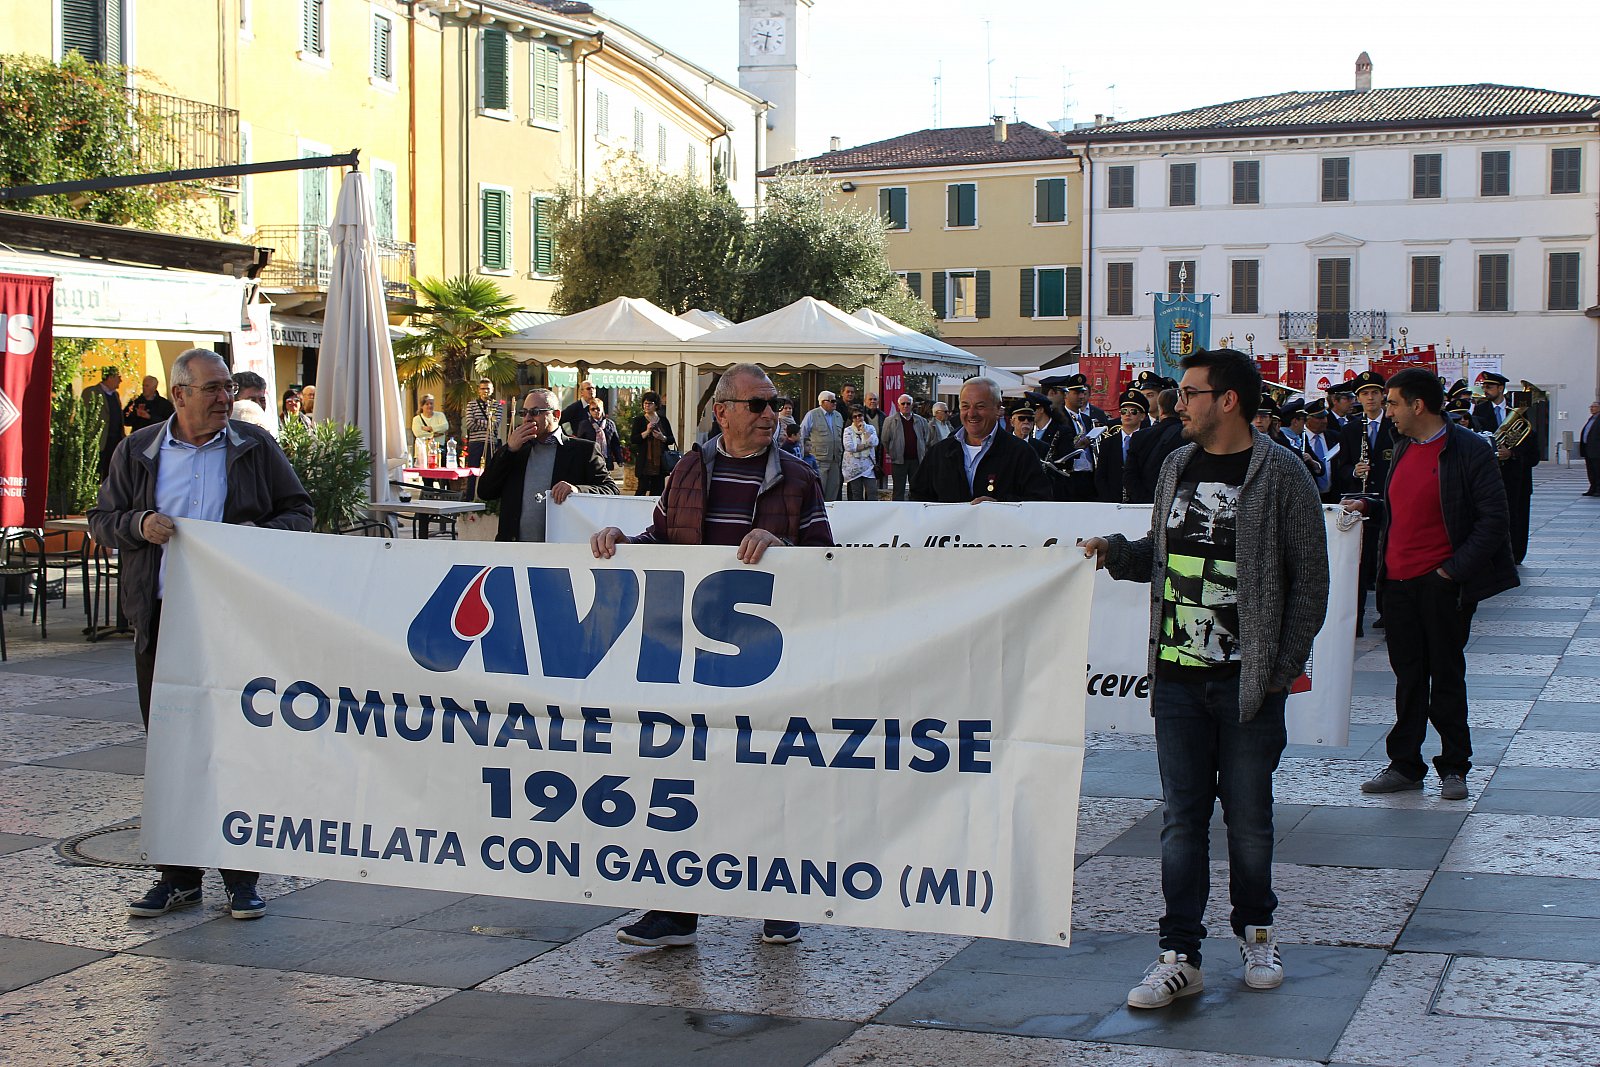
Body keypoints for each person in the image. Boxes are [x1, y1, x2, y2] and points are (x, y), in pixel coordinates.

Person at [1082, 347, 1327, 1010]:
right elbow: (1162, 553)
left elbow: (1311, 581)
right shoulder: (1175, 465)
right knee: (1181, 820)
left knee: (1249, 818)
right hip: (1178, 677)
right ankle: (1179, 955)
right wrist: (1114, 552)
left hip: (1248, 681)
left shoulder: (1282, 473)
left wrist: (1279, 669)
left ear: (1228, 400)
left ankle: (1257, 932)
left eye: (1191, 393)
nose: (1177, 403)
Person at [590, 363, 830, 949]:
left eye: (776, 403)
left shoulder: (799, 476)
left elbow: (828, 560)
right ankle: (676, 911)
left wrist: (783, 546)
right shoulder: (688, 469)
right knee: (686, 778)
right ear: (721, 412)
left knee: (767, 775)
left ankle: (779, 899)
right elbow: (663, 537)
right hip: (692, 655)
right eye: (759, 404)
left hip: (766, 657)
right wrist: (624, 545)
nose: (772, 414)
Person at [88, 348, 313, 921]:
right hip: (163, 620)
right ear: (179, 394)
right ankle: (178, 877)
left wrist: (253, 536)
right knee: (171, 750)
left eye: (228, 387)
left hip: (235, 621)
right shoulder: (138, 449)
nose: (224, 398)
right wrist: (139, 524)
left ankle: (241, 878)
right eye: (213, 388)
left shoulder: (253, 446)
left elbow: (300, 512)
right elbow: (103, 520)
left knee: (237, 747)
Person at [1350, 369, 1517, 801]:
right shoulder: (1403, 445)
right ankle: (1405, 765)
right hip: (1398, 584)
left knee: (1445, 676)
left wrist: (1451, 572)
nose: (1387, 411)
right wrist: (1369, 505)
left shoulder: (1468, 449)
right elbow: (1404, 506)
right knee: (1408, 678)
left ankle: (1454, 766)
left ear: (1418, 405)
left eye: (1392, 403)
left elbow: (1494, 520)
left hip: (1442, 585)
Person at [477, 388, 618, 542]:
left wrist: (577, 490)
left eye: (535, 412)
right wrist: (509, 450)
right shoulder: (516, 450)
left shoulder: (583, 450)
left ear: (556, 415)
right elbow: (485, 491)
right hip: (514, 549)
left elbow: (610, 490)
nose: (527, 418)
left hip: (561, 549)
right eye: (524, 413)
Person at [911, 378, 1052, 503]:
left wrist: (1000, 505)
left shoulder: (1021, 453)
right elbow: (918, 499)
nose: (971, 413)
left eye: (980, 406)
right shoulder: (939, 452)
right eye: (965, 406)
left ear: (998, 408)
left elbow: (1040, 501)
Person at [1336, 371, 1396, 636]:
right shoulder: (1350, 429)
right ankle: (1356, 620)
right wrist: (1353, 471)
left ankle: (1387, 613)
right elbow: (1341, 468)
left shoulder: (1395, 425)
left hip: (1388, 499)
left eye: (1374, 393)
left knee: (1387, 559)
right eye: (1364, 394)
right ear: (1358, 398)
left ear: (1383, 395)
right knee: (1358, 563)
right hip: (1360, 502)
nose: (1370, 398)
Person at [1472, 371, 1537, 564]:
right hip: (1491, 475)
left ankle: (1516, 554)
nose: (1485, 390)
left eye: (1489, 387)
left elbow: (1532, 448)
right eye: (1484, 387)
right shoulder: (1479, 410)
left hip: (1518, 477)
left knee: (1519, 516)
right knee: (1492, 516)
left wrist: (1512, 453)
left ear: (1501, 388)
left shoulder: (1519, 409)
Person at [1124, 387, 1185, 505]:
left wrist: (1144, 501)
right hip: (1177, 504)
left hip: (1144, 503)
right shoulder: (1188, 436)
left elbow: (1129, 475)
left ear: (1160, 410)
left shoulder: (1140, 436)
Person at [1095, 388, 1147, 503]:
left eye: (1133, 411)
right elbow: (1100, 476)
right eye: (1124, 411)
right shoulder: (1108, 443)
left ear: (1142, 416)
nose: (1127, 414)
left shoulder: (1148, 442)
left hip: (1140, 501)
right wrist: (1108, 499)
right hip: (1112, 501)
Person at [1059, 373, 1103, 501]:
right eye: (1077, 393)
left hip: (1088, 476)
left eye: (1083, 393)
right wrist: (1075, 447)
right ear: (1066, 395)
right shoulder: (1059, 418)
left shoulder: (1086, 419)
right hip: (1070, 477)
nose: (1082, 396)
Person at [881, 393, 933, 501]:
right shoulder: (890, 421)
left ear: (912, 405)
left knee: (917, 489)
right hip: (899, 461)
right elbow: (885, 440)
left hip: (916, 461)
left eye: (908, 403)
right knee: (898, 490)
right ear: (898, 405)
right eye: (903, 403)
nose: (905, 406)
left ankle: (915, 509)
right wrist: (893, 453)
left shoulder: (921, 421)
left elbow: (926, 438)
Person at [799, 390, 845, 501]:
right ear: (823, 402)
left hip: (835, 461)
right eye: (832, 401)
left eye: (835, 401)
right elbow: (802, 435)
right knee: (818, 491)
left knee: (833, 493)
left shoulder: (838, 416)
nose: (835, 403)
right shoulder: (812, 415)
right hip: (819, 461)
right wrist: (803, 455)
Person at [630, 391, 676, 496]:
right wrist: (647, 432)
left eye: (650, 403)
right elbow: (634, 439)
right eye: (645, 403)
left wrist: (662, 437)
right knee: (641, 490)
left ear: (656, 405)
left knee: (658, 492)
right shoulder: (639, 420)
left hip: (660, 463)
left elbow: (671, 439)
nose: (647, 405)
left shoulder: (663, 420)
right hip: (645, 462)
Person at [84, 368, 125, 480]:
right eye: (118, 377)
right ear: (110, 378)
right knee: (97, 473)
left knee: (111, 473)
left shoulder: (115, 395)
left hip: (115, 441)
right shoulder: (91, 392)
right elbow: (86, 415)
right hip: (100, 441)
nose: (120, 380)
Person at [464, 378, 504, 470]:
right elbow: (469, 424)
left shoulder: (497, 406)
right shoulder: (471, 405)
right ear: (479, 390)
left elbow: (495, 425)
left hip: (491, 442)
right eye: (483, 388)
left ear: (492, 390)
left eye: (488, 389)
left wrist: (477, 421)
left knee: (490, 470)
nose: (485, 391)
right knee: (473, 470)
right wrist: (487, 424)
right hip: (475, 442)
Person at [843, 407, 880, 500]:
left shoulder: (870, 428)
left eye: (860, 415)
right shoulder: (848, 430)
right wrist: (866, 445)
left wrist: (864, 432)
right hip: (854, 468)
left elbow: (875, 442)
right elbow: (850, 447)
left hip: (868, 467)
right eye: (854, 416)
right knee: (857, 495)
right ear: (851, 419)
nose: (858, 418)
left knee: (872, 492)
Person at [588, 398, 624, 471]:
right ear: (589, 411)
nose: (596, 411)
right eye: (593, 409)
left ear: (602, 409)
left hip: (606, 461)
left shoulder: (610, 424)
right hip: (590, 462)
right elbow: (581, 444)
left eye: (598, 409)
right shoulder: (584, 424)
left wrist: (619, 460)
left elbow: (615, 444)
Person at [1582, 401, 1600, 496]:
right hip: (1588, 449)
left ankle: (1598, 489)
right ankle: (1592, 488)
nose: (1591, 408)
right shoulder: (1591, 419)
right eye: (1591, 406)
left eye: (1594, 406)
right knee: (1591, 470)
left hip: (1596, 450)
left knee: (1597, 470)